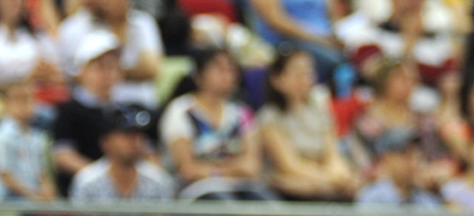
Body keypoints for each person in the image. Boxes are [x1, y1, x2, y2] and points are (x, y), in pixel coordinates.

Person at [158, 47, 268, 200]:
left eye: (231, 69)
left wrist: (212, 170)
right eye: (219, 69)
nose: (227, 75)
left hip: (240, 186)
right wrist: (232, 169)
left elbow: (252, 166)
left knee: (267, 202)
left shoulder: (242, 113)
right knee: (223, 204)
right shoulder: (181, 111)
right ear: (199, 76)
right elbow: (188, 170)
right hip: (197, 190)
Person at [57, 0, 164, 108]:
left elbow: (151, 69)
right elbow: (71, 75)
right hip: (92, 108)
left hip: (139, 104)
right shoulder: (72, 28)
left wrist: (120, 25)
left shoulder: (142, 22)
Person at [258, 49, 359, 201]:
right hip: (292, 186)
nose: (305, 78)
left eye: (309, 72)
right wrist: (329, 179)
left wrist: (342, 177)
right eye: (298, 73)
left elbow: (332, 154)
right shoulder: (270, 117)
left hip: (324, 180)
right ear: (277, 80)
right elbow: (289, 165)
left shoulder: (320, 110)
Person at [51, 31, 124, 194]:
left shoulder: (123, 110)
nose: (107, 74)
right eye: (99, 67)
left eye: (112, 67)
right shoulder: (69, 111)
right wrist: (102, 178)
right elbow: (63, 157)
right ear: (82, 72)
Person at [70, 105, 174, 201]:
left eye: (138, 135)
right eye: (126, 135)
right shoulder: (87, 181)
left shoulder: (159, 180)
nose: (134, 141)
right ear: (106, 141)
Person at [0, 81, 56, 201]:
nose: (26, 104)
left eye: (29, 98)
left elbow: (43, 172)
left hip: (34, 203)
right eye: (19, 99)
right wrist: (34, 196)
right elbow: (5, 176)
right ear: (5, 104)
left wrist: (47, 190)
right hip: (7, 203)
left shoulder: (38, 137)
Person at [355, 129, 443, 208]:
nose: (413, 161)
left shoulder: (425, 199)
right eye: (406, 154)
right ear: (388, 158)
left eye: (416, 155)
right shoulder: (373, 197)